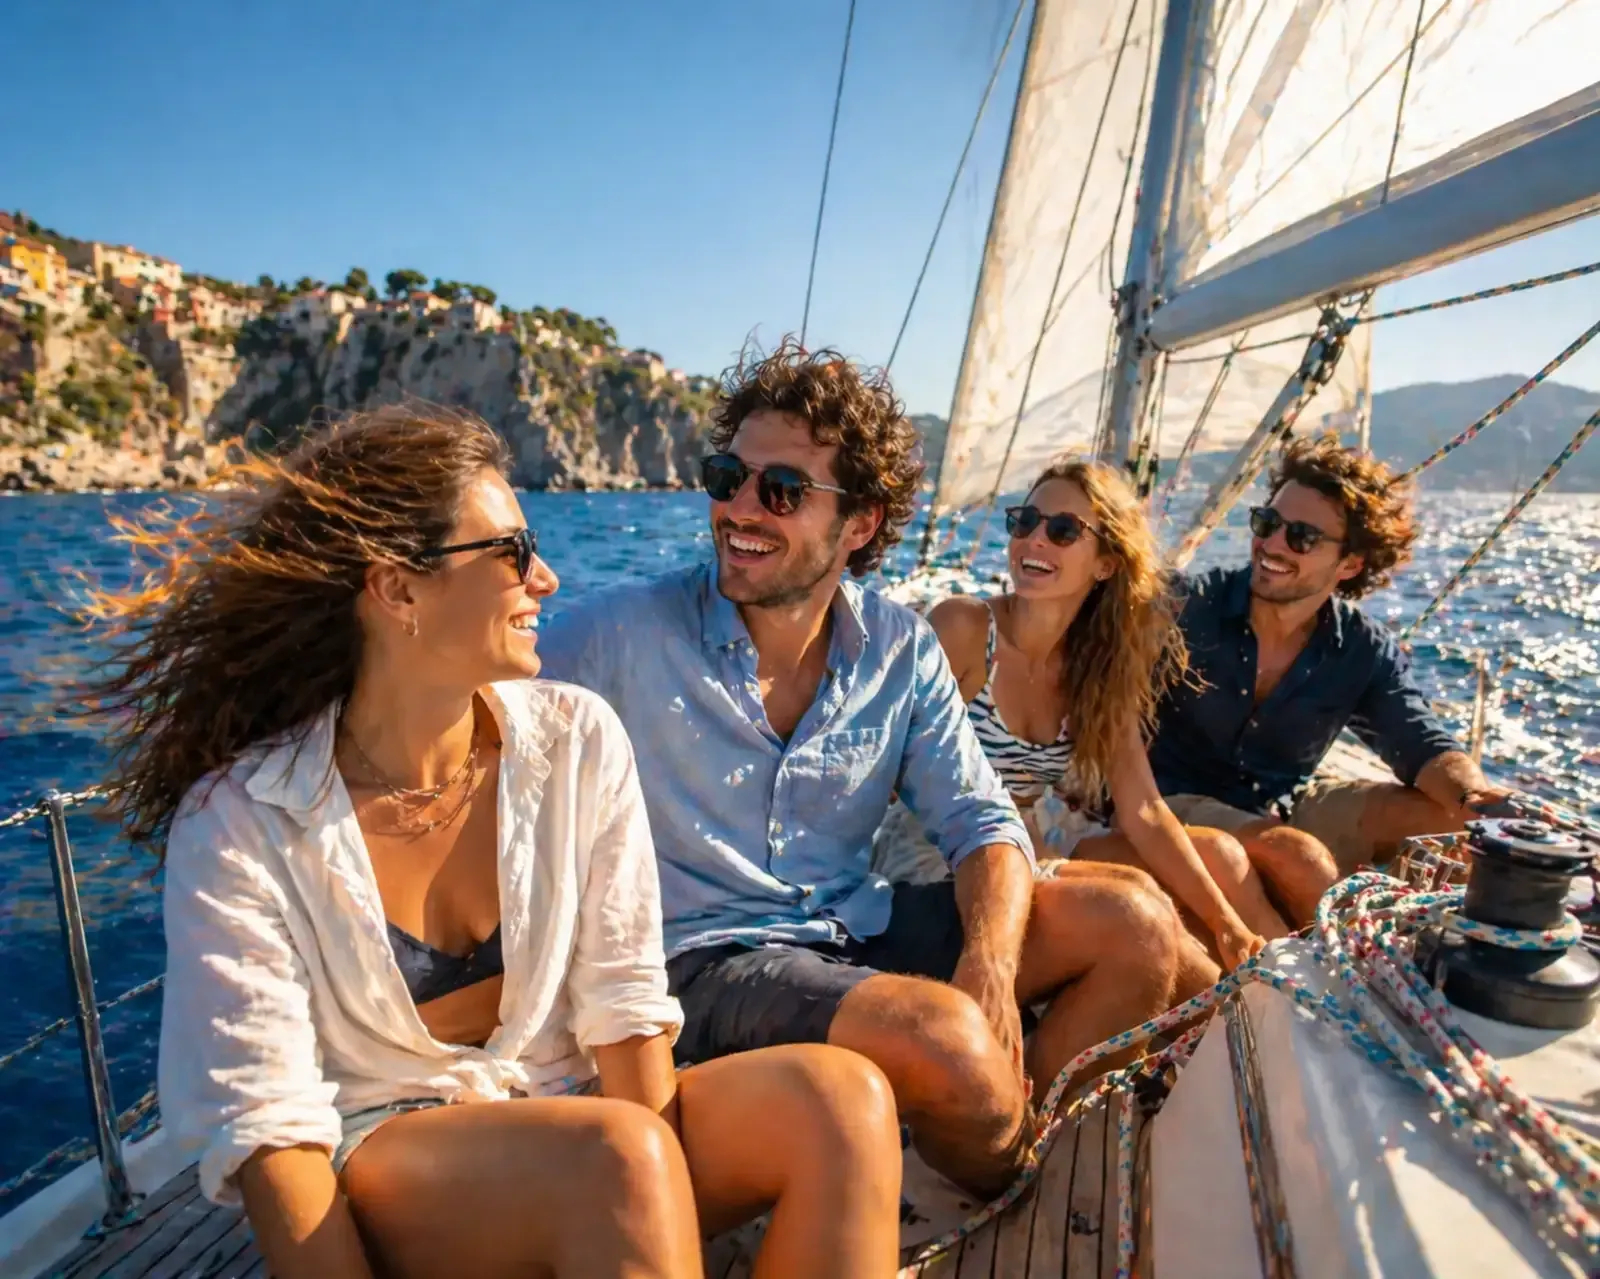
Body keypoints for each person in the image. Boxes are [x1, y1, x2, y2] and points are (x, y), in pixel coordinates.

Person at [84, 408, 902, 1279]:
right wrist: (629, 1171)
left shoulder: (576, 738)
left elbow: (624, 1003)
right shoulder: (245, 817)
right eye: (511, 553)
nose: (545, 578)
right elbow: (272, 1129)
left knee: (841, 1102)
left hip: (581, 1118)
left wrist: (661, 1205)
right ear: (398, 589)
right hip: (381, 1167)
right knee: (616, 1157)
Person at [538, 340, 1216, 1200]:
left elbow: (984, 824)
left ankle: (989, 1146)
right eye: (726, 476)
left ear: (859, 524)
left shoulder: (898, 649)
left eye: (780, 490)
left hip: (849, 928)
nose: (740, 508)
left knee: (1135, 923)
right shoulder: (617, 634)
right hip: (703, 962)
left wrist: (991, 965)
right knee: (948, 1041)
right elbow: (465, 714)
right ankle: (1002, 1165)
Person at [907, 459, 1285, 967]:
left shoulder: (1095, 668)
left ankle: (1287, 982)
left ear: (1105, 562)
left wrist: (1227, 925)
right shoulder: (964, 629)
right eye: (1026, 521)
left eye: (1063, 530)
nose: (1035, 540)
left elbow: (1145, 811)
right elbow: (887, 767)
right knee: (1153, 924)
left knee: (1216, 862)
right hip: (943, 848)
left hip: (1033, 840)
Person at [1149, 432, 1518, 926]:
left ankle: (1449, 958)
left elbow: (1421, 744)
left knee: (1456, 825)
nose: (1272, 543)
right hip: (1169, 805)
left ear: (1350, 563)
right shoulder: (1187, 608)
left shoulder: (1360, 651)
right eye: (1268, 522)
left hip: (1278, 808)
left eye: (1301, 536)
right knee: (1297, 856)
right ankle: (1338, 967)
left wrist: (1476, 797)